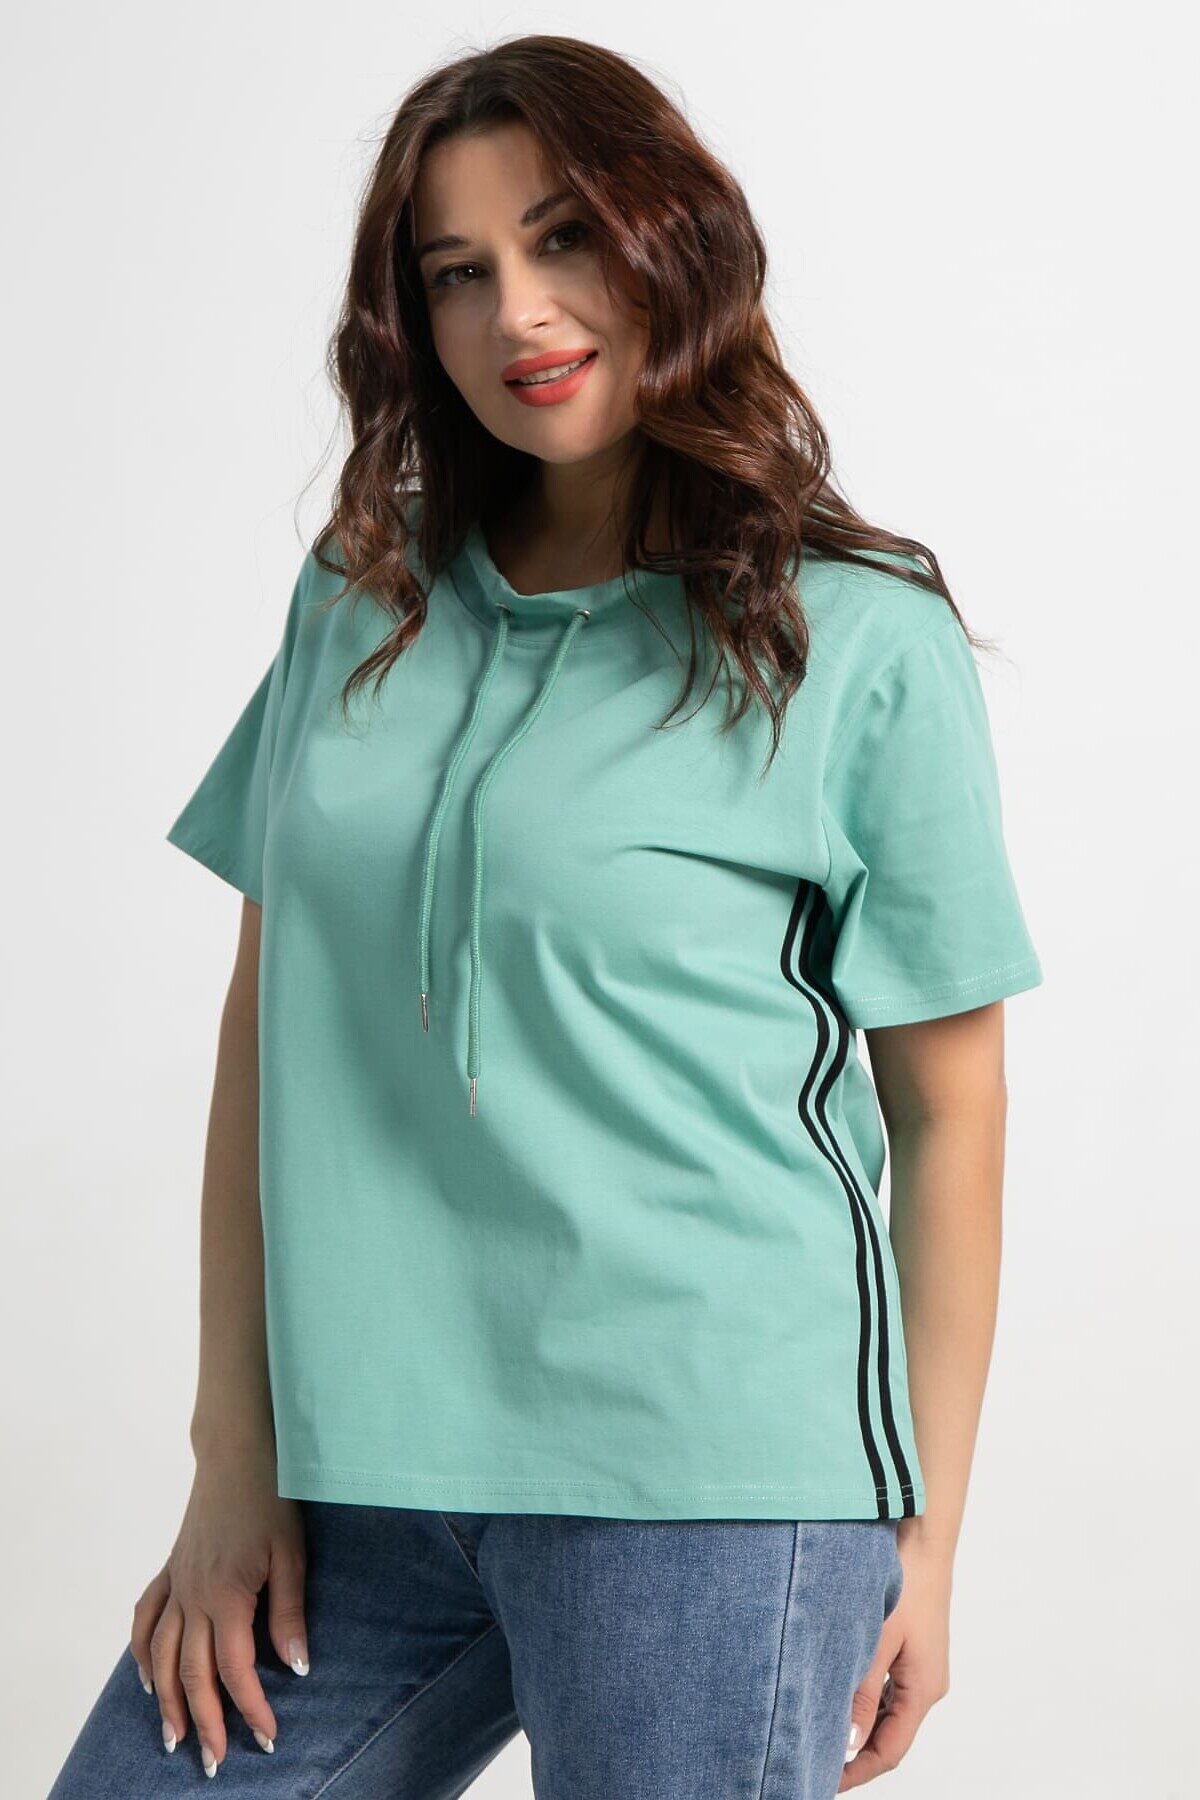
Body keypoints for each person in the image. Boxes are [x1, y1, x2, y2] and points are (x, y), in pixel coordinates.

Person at [50, 32, 1043, 1800]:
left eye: (565, 236)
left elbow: (949, 1111)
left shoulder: (859, 636)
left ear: (674, 241)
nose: (518, 310)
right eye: (457, 272)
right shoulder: (362, 596)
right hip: (355, 1481)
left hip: (710, 1484)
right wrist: (230, 1455)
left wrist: (931, 1538)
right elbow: (269, 1028)